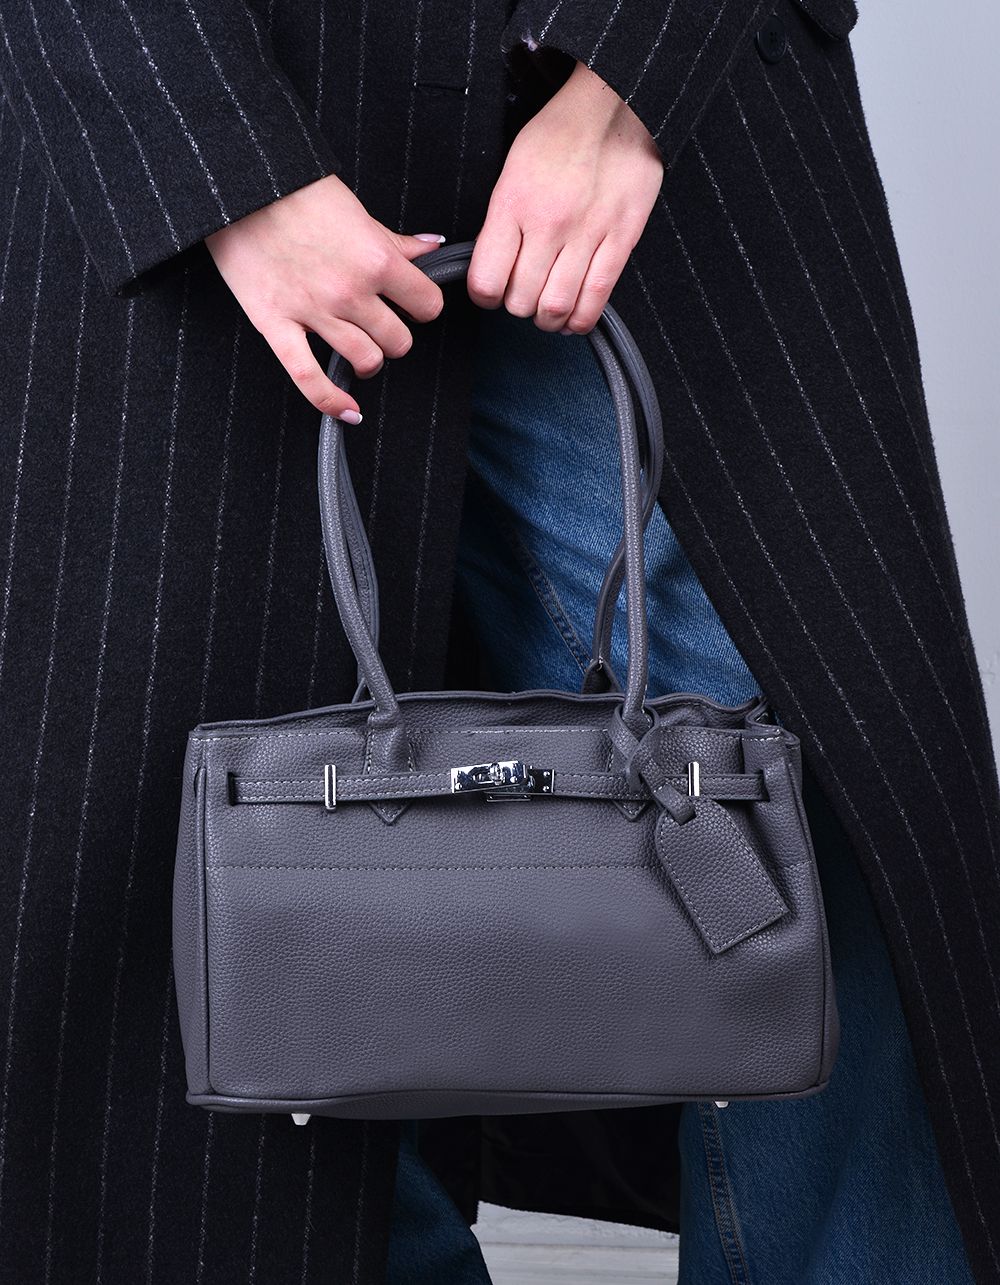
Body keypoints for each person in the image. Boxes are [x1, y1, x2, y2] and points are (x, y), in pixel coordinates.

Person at [1, 1, 997, 1282]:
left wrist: (623, 87)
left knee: (813, 817)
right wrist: (219, 159)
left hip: (659, 132)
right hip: (204, 158)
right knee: (243, 884)